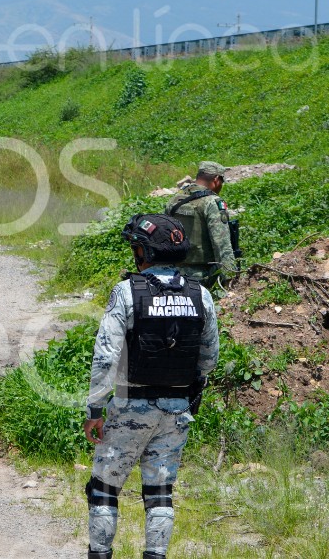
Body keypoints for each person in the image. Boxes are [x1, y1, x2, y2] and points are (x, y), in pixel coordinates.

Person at [82, 214, 218, 559]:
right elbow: (209, 358)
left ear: (143, 252)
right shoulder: (201, 295)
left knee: (103, 489)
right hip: (176, 409)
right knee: (159, 493)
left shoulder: (126, 292)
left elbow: (106, 356)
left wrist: (95, 408)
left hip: (130, 405)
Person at [165, 161, 237, 287]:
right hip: (203, 276)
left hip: (173, 274)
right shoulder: (212, 202)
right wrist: (230, 278)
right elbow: (221, 244)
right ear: (216, 179)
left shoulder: (175, 199)